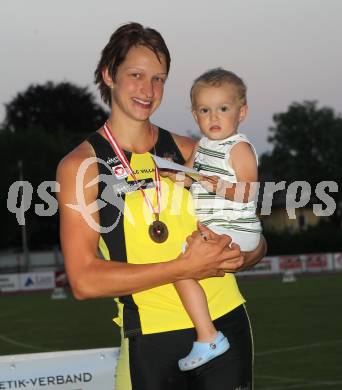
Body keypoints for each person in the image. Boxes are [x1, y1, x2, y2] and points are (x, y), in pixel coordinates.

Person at [56, 22, 267, 390]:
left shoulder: (191, 150)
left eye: (159, 79)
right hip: (152, 340)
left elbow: (251, 231)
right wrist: (181, 268)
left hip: (227, 320)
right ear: (109, 75)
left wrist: (243, 256)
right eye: (136, 75)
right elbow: (84, 280)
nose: (148, 90)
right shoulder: (81, 167)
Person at [164, 68, 262, 371]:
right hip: (217, 228)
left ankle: (208, 336)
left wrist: (213, 184)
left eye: (223, 108)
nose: (213, 117)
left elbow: (247, 192)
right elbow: (188, 178)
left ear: (241, 112)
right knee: (182, 269)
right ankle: (207, 333)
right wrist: (169, 173)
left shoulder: (239, 148)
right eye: (205, 110)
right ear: (195, 115)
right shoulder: (203, 146)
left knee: (181, 269)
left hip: (237, 229)